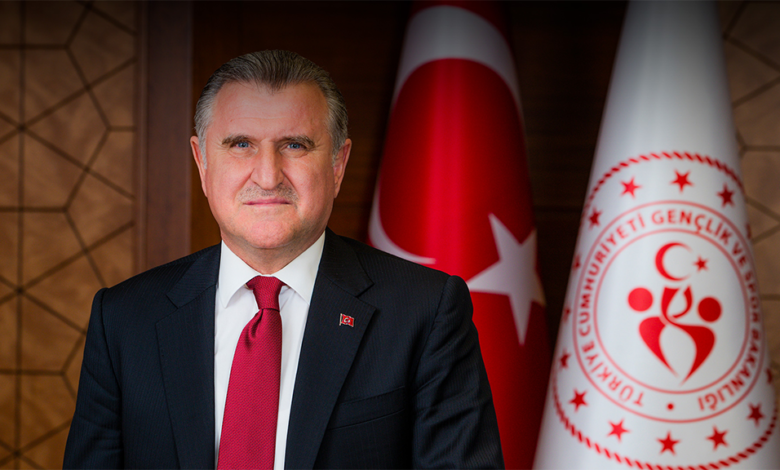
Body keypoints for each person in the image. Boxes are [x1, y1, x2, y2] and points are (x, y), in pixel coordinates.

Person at [63, 50, 504, 470]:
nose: (268, 175)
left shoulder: (425, 312)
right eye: (241, 144)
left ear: (338, 164)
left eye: (294, 145)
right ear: (202, 162)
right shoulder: (123, 319)